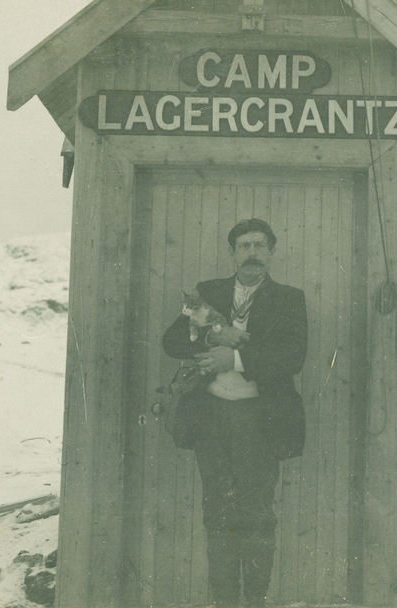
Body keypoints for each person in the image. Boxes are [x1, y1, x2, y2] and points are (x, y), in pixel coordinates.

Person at [162, 218, 307, 608]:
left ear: (271, 253)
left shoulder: (289, 299)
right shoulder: (208, 292)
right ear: (233, 253)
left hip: (260, 422)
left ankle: (255, 599)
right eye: (244, 246)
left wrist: (236, 358)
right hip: (211, 422)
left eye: (260, 245)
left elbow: (292, 358)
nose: (252, 253)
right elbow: (172, 340)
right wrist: (210, 336)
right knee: (218, 511)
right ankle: (225, 601)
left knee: (258, 513)